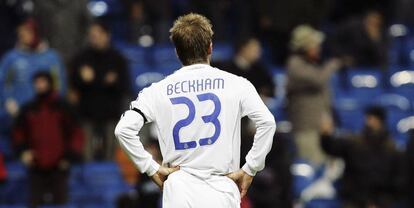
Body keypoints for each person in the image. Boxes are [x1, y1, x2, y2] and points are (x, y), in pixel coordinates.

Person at [115, 13, 276, 208]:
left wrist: (150, 168)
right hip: (222, 187)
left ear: (177, 52)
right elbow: (267, 123)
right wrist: (251, 167)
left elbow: (123, 130)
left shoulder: (156, 90)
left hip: (179, 189)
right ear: (210, 47)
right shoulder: (237, 84)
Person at [12, 71, 84, 207]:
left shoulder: (63, 108)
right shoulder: (28, 109)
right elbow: (18, 133)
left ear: (50, 84)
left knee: (60, 204)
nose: (39, 86)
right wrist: (23, 151)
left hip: (60, 165)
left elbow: (76, 133)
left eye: (42, 82)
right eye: (37, 83)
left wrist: (69, 157)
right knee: (34, 203)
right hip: (35, 166)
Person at [70, 21, 130, 161]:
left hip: (111, 114)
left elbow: (125, 87)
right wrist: (81, 79)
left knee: (111, 155)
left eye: (97, 35)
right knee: (87, 155)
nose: (94, 38)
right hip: (87, 114)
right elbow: (73, 87)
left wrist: (114, 82)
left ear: (107, 35)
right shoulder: (81, 58)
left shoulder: (117, 59)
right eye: (92, 35)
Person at [320, 106, 401, 208]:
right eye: (368, 118)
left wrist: (380, 202)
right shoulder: (354, 142)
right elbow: (332, 148)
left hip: (381, 201)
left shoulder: (391, 149)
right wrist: (326, 136)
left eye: (372, 118)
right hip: (354, 199)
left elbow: (397, 181)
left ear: (380, 121)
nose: (369, 121)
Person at [286, 25, 342, 167]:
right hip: (306, 130)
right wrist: (332, 65)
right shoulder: (295, 65)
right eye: (315, 46)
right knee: (313, 167)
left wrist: (328, 117)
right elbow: (318, 80)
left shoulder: (312, 65)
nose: (318, 49)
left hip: (322, 128)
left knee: (332, 166)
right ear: (304, 46)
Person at [0, 17, 66, 119]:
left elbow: (59, 83)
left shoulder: (52, 58)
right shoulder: (11, 58)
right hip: (17, 113)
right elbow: (3, 82)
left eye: (27, 31)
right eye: (21, 32)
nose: (23, 35)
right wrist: (8, 102)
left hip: (46, 115)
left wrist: (55, 104)